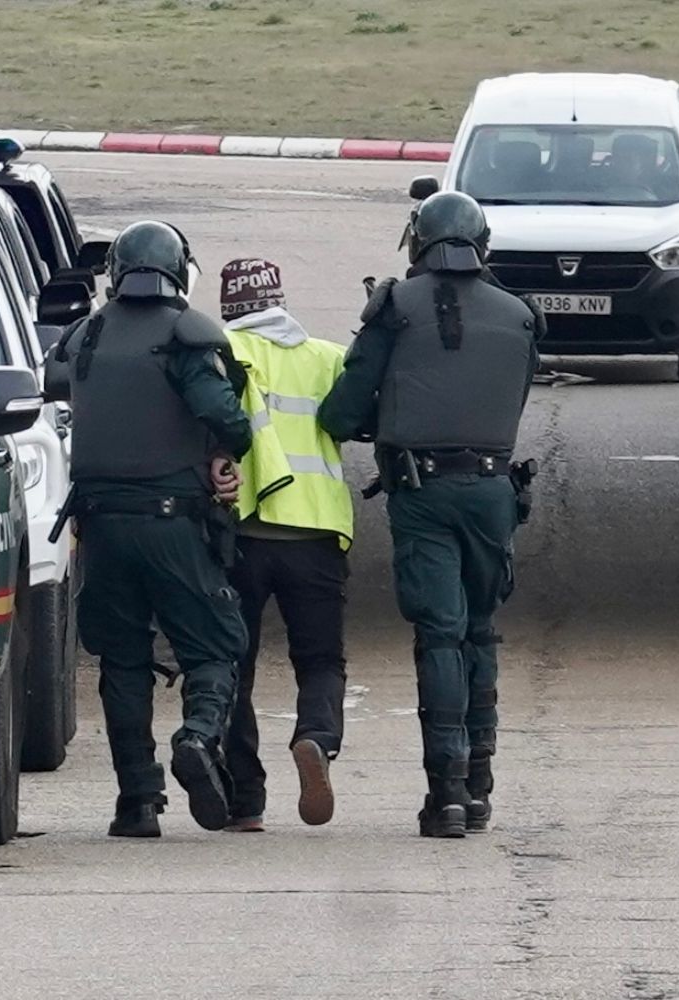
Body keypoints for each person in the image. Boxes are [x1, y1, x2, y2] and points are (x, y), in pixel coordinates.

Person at [318, 191, 540, 839]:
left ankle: (446, 788)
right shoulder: (522, 316)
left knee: (441, 634)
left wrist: (385, 417)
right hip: (494, 492)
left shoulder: (393, 308)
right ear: (482, 243)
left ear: (419, 241)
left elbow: (340, 412)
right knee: (480, 630)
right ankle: (478, 788)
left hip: (423, 492)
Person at [44, 221, 252, 839]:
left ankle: (137, 801)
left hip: (102, 526)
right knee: (216, 645)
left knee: (123, 661)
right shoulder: (186, 336)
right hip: (173, 523)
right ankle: (197, 735)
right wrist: (224, 447)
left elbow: (55, 384)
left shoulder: (88, 333)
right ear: (178, 271)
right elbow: (225, 414)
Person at [212, 259, 353, 833]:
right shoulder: (327, 356)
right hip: (317, 532)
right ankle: (315, 737)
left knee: (233, 664)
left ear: (229, 307)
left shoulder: (219, 350)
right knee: (320, 659)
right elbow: (350, 421)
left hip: (242, 530)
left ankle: (245, 800)